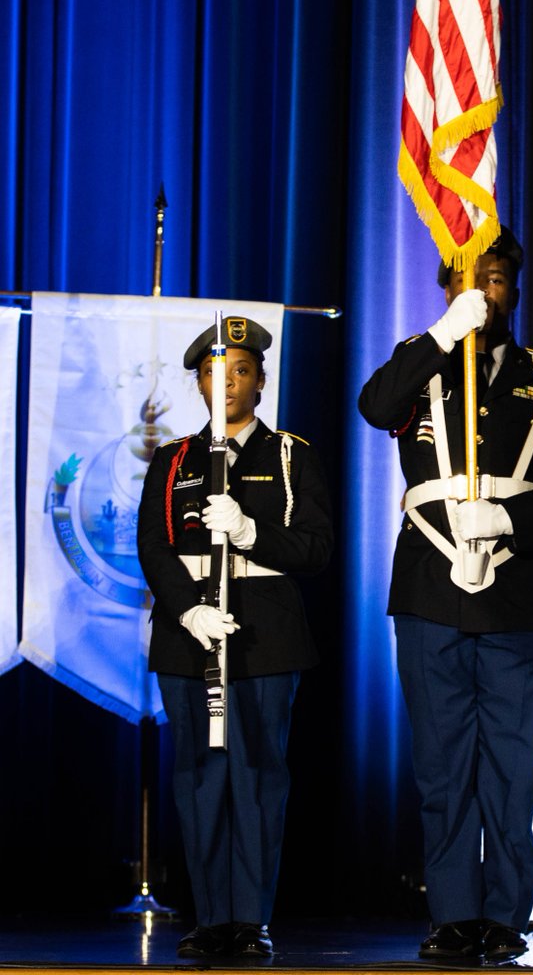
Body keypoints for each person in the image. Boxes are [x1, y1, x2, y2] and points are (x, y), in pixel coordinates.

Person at [357, 226, 533, 963]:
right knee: (441, 766)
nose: (484, 293)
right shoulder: (422, 365)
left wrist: (510, 517)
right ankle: (452, 914)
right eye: (470, 282)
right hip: (431, 588)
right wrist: (442, 334)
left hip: (518, 591)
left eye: (495, 281)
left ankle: (503, 914)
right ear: (447, 290)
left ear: (515, 291)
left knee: (511, 765)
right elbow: (375, 406)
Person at [137, 317, 334, 959]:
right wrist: (190, 611)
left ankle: (250, 920)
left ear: (261, 383)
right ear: (198, 383)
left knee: (256, 775)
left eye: (240, 371)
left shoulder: (289, 456)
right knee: (199, 777)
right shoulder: (172, 463)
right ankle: (210, 917)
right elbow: (153, 546)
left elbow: (315, 548)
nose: (226, 383)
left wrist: (252, 532)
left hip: (265, 640)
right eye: (213, 373)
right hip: (186, 636)